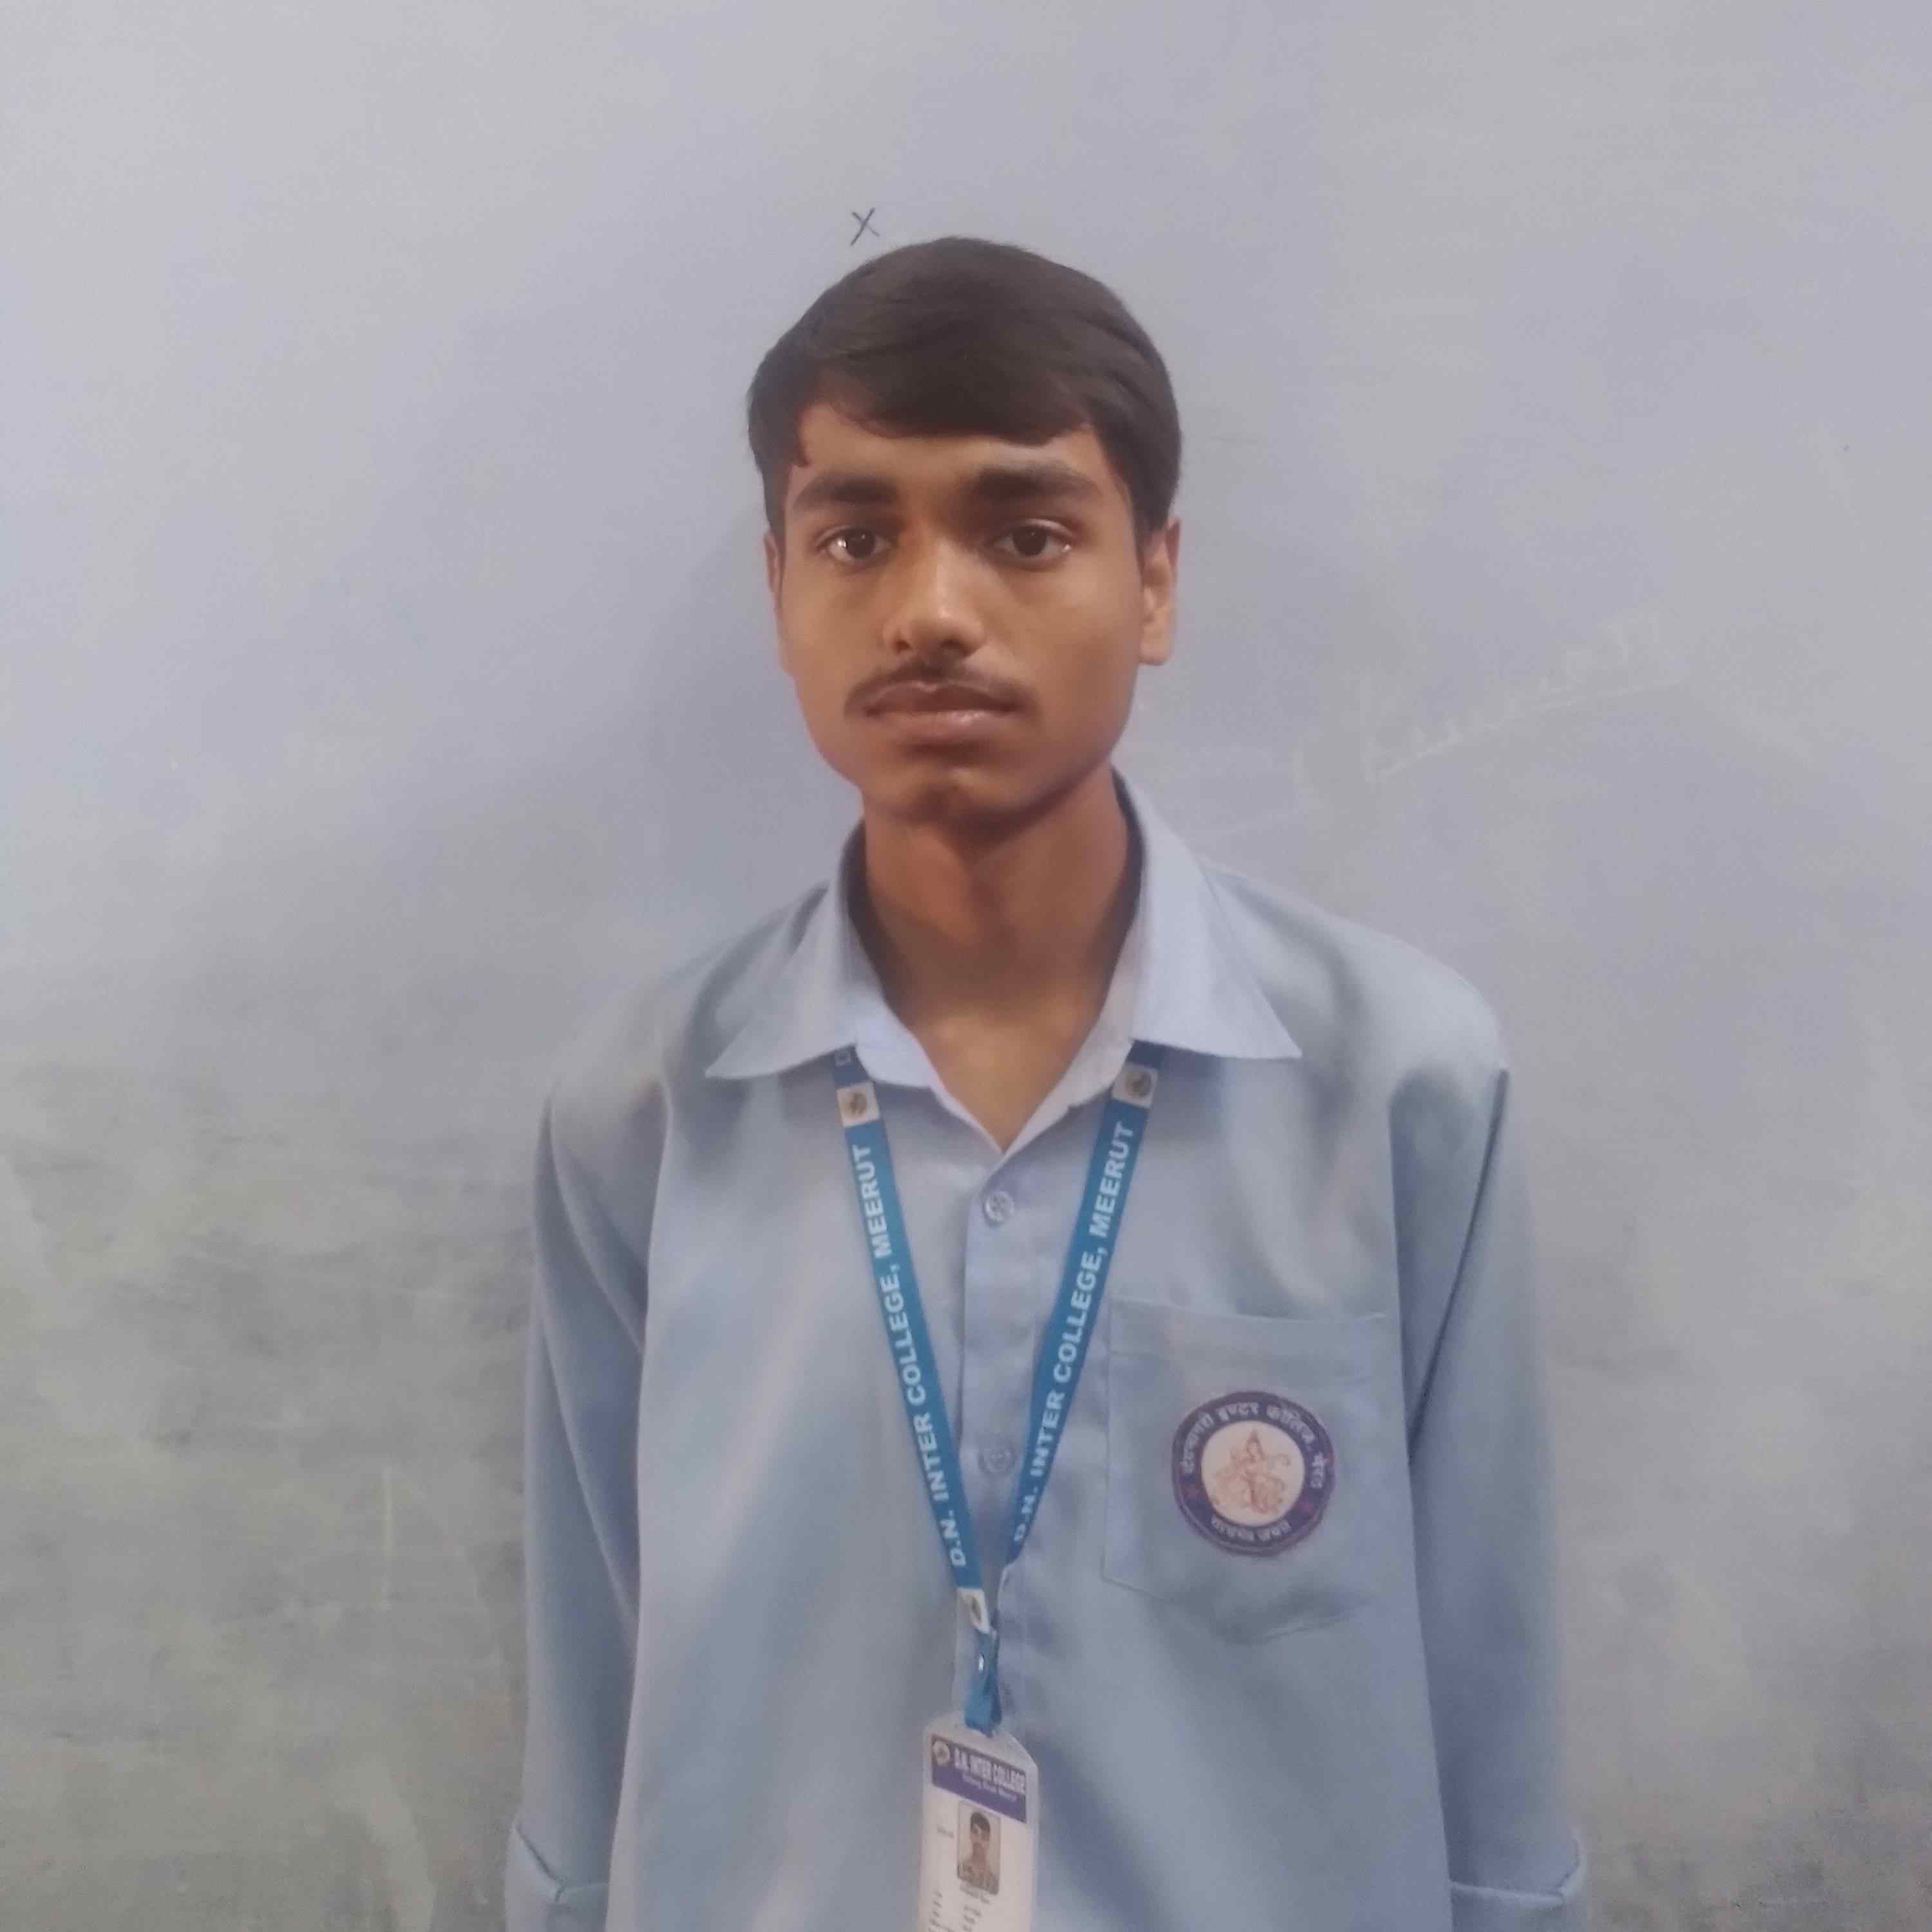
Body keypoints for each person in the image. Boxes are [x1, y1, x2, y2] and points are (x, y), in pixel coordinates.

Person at [504, 235, 1589, 1930]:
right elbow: (592, 1684)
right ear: (779, 590)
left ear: (1154, 583)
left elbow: (1489, 1686)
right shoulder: (645, 1112)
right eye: (855, 537)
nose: (932, 612)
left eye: (1024, 535)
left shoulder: (1399, 1088)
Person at [959, 1810, 998, 1894]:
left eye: (984, 1836)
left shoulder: (994, 1883)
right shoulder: (960, 1869)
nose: (978, 1840)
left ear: (989, 1842)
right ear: (970, 1834)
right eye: (975, 1832)